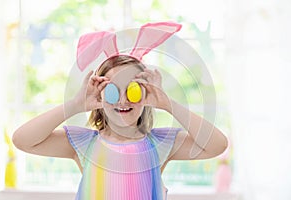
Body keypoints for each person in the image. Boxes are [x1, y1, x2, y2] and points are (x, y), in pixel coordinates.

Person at [13, 22, 228, 200]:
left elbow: (217, 145)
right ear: (100, 96)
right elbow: (22, 140)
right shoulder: (85, 144)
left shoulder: (159, 145)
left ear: (145, 95)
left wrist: (168, 104)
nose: (123, 100)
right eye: (113, 92)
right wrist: (75, 105)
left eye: (133, 90)